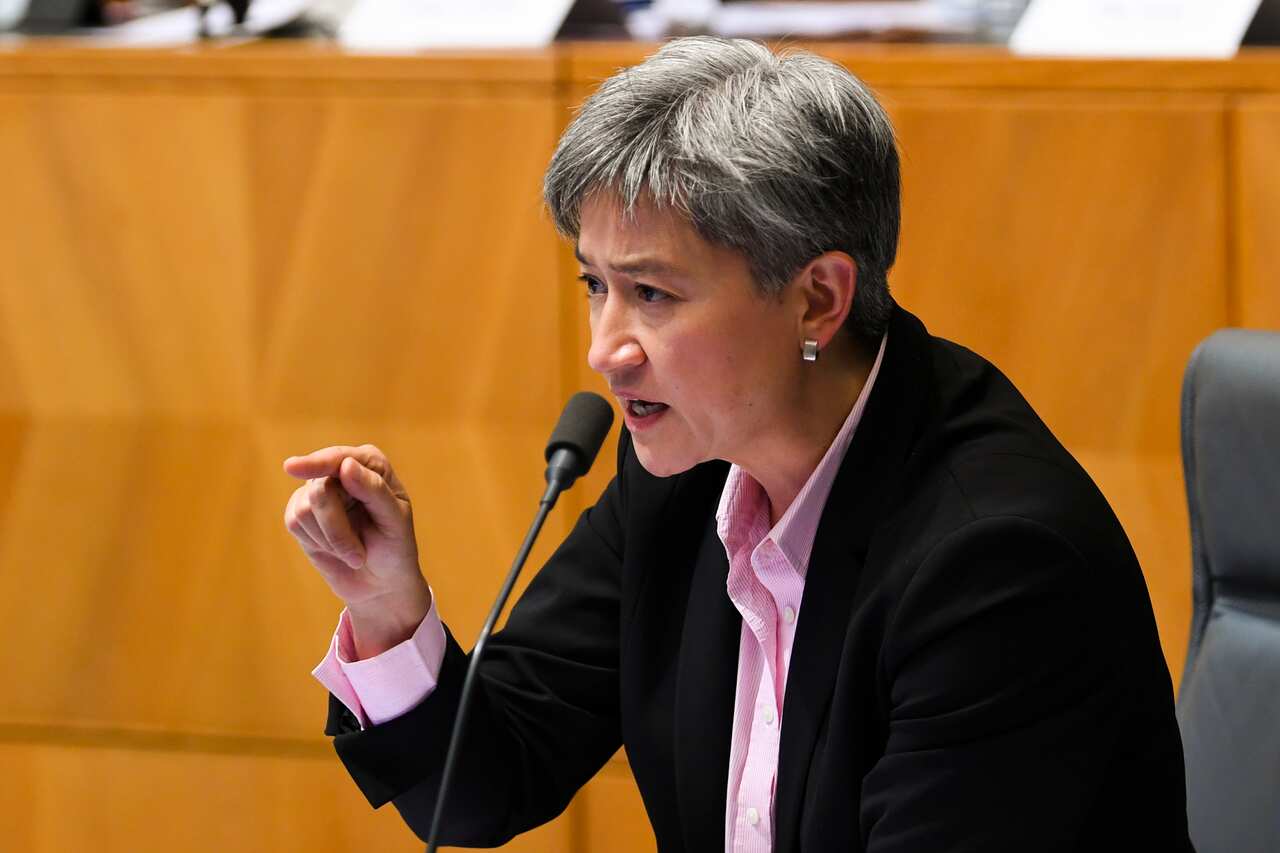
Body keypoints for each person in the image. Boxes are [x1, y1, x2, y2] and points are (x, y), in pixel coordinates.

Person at [282, 37, 1193, 852]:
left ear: (818, 299)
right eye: (594, 284)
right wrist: (389, 608)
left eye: (653, 295)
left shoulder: (994, 567)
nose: (605, 349)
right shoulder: (685, 474)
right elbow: (480, 789)